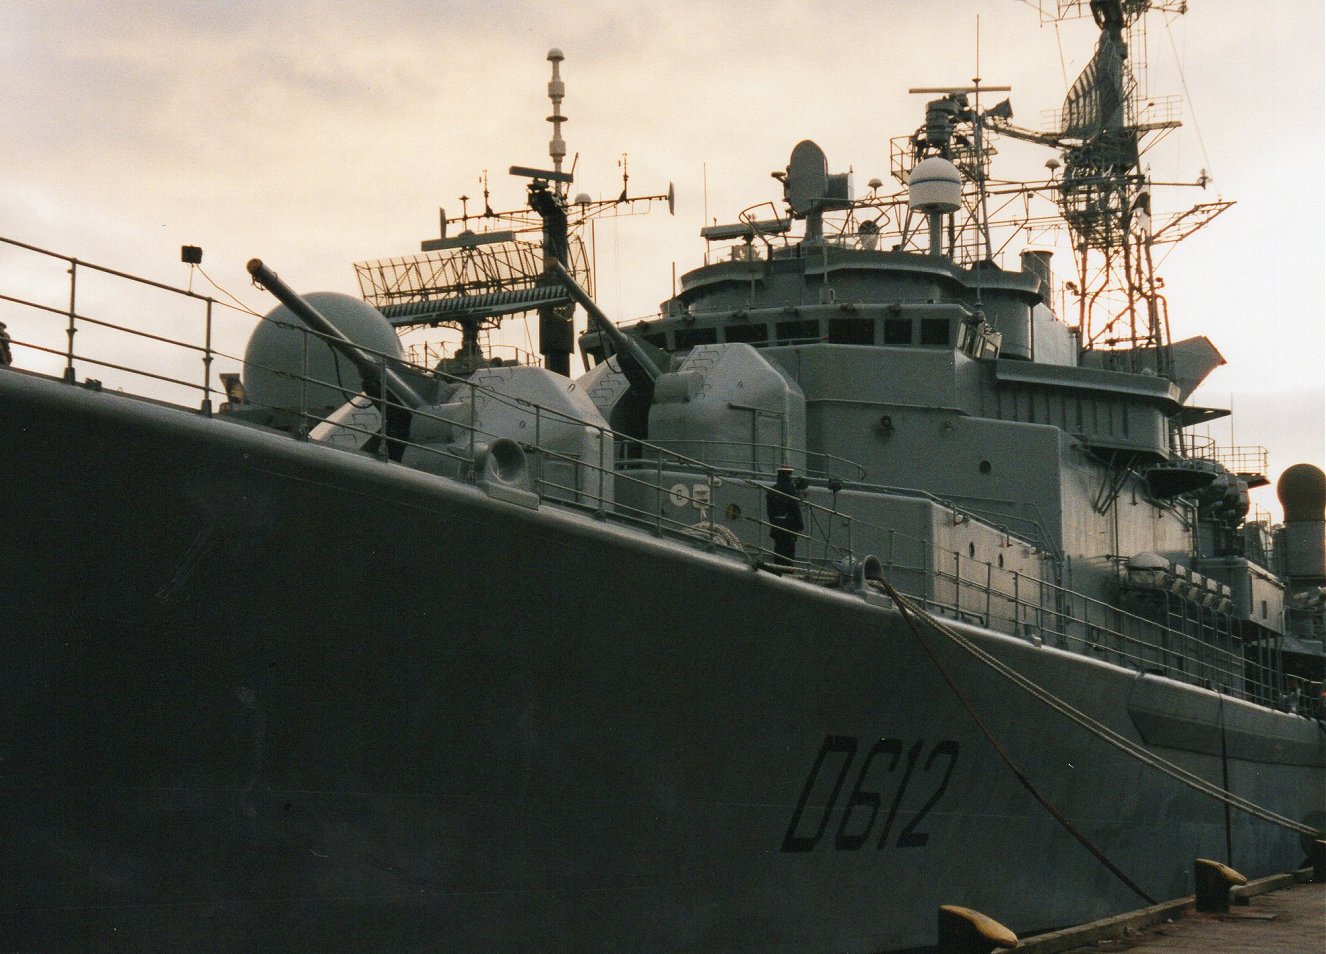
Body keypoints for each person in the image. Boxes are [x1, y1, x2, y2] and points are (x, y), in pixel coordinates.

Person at [766, 466, 805, 567]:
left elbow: (769, 511)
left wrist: (773, 522)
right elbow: (794, 507)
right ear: (788, 475)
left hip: (776, 525)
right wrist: (800, 525)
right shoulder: (790, 489)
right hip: (788, 525)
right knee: (788, 553)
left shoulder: (772, 489)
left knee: (778, 550)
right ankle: (787, 571)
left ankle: (778, 568)